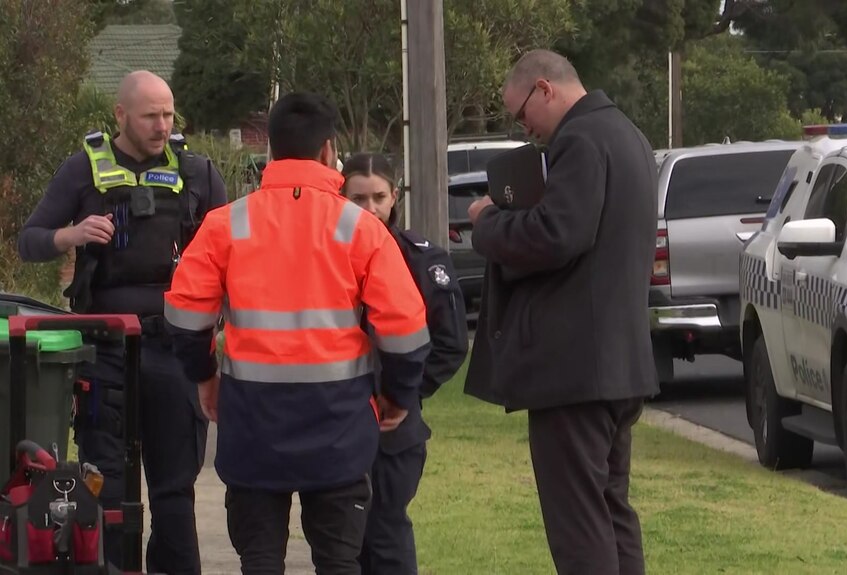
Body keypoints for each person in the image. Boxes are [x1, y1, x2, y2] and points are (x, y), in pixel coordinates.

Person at [163, 92, 431, 575]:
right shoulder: (361, 228)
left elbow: (185, 316)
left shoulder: (226, 224)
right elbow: (406, 329)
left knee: (260, 560)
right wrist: (397, 394)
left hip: (251, 424)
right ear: (329, 151)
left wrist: (204, 376)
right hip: (340, 426)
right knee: (339, 561)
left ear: (271, 149)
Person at [17, 70, 228, 574]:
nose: (161, 126)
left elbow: (232, 252)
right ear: (120, 115)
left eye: (168, 114)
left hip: (174, 346)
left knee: (174, 487)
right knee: (104, 482)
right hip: (104, 348)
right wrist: (72, 235)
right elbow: (30, 241)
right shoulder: (81, 170)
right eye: (150, 115)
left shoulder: (198, 173)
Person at [464, 49, 659, 575]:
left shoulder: (580, 139)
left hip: (574, 369)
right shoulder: (629, 136)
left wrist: (487, 222)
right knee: (612, 508)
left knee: (578, 522)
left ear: (546, 88)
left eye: (522, 112)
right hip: (620, 363)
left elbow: (558, 234)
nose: (524, 128)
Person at [341, 153, 469, 575]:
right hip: (336, 418)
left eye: (379, 197)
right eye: (358, 198)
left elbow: (449, 345)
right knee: (343, 542)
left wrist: (403, 393)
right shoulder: (324, 260)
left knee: (386, 532)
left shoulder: (420, 259)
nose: (370, 208)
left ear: (395, 197)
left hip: (393, 429)